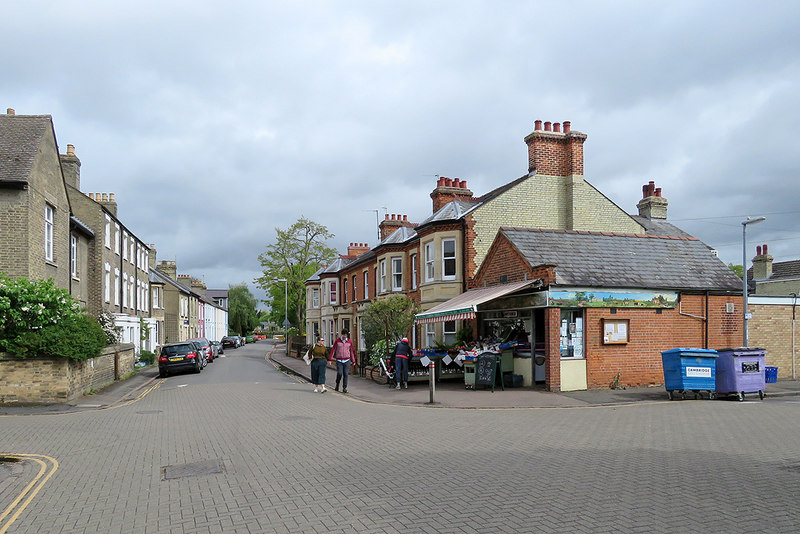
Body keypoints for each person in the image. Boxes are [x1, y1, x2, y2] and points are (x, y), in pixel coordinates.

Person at [329, 329, 356, 393]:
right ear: (341, 334)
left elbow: (351, 351)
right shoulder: (337, 341)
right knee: (339, 373)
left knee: (346, 374)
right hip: (339, 360)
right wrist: (330, 359)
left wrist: (353, 361)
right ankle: (337, 384)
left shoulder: (349, 341)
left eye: (346, 335)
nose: (344, 336)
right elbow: (333, 350)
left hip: (347, 360)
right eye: (343, 335)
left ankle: (344, 388)